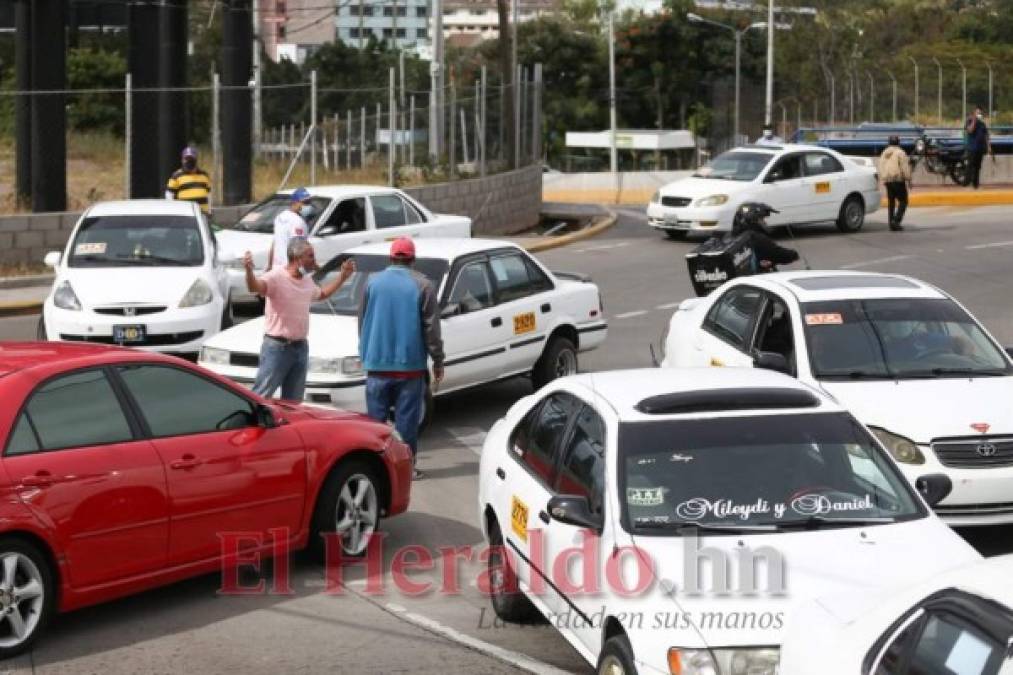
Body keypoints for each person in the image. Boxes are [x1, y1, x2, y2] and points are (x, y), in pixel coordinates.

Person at [358, 237, 445, 480]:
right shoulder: (423, 285)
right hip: (410, 368)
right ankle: (406, 469)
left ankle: (375, 470)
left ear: (391, 257)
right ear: (413, 260)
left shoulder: (372, 282)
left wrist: (366, 352)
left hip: (376, 366)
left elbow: (362, 321)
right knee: (407, 424)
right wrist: (438, 360)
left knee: (376, 424)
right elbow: (432, 329)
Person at [244, 237, 355, 401]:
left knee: (294, 402)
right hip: (277, 348)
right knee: (262, 396)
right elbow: (255, 287)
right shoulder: (276, 277)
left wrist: (342, 277)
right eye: (310, 256)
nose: (314, 261)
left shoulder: (307, 281)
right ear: (297, 259)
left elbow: (321, 294)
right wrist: (248, 271)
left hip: (300, 348)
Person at [731, 202, 799, 271]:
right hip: (759, 275)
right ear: (752, 220)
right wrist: (794, 254)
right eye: (762, 219)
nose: (765, 223)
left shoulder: (734, 236)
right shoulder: (756, 238)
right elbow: (778, 254)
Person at [267, 187, 314, 272]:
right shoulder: (298, 222)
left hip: (277, 268)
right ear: (295, 202)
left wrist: (270, 266)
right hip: (290, 271)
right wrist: (313, 266)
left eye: (309, 202)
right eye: (305, 203)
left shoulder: (280, 217)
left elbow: (275, 243)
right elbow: (298, 250)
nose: (308, 205)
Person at [879, 135, 912, 231]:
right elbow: (905, 168)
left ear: (889, 143)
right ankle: (896, 221)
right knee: (903, 201)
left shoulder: (884, 153)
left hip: (887, 180)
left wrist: (884, 178)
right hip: (897, 180)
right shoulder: (900, 153)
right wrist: (908, 178)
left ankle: (891, 223)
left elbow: (880, 166)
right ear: (898, 143)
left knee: (891, 202)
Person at [165, 146, 212, 215]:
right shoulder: (176, 176)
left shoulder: (204, 175)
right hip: (184, 214)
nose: (189, 161)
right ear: (182, 160)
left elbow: (209, 194)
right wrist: (173, 211)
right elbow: (169, 195)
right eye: (186, 159)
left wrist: (209, 210)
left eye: (191, 159)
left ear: (196, 160)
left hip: (202, 214)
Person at [964, 106, 992, 189]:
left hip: (980, 148)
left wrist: (989, 147)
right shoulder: (969, 121)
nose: (979, 114)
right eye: (977, 113)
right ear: (974, 114)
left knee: (977, 167)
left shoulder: (982, 124)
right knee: (970, 166)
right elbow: (970, 130)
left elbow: (986, 135)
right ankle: (966, 183)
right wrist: (974, 120)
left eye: (980, 113)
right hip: (972, 148)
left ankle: (975, 185)